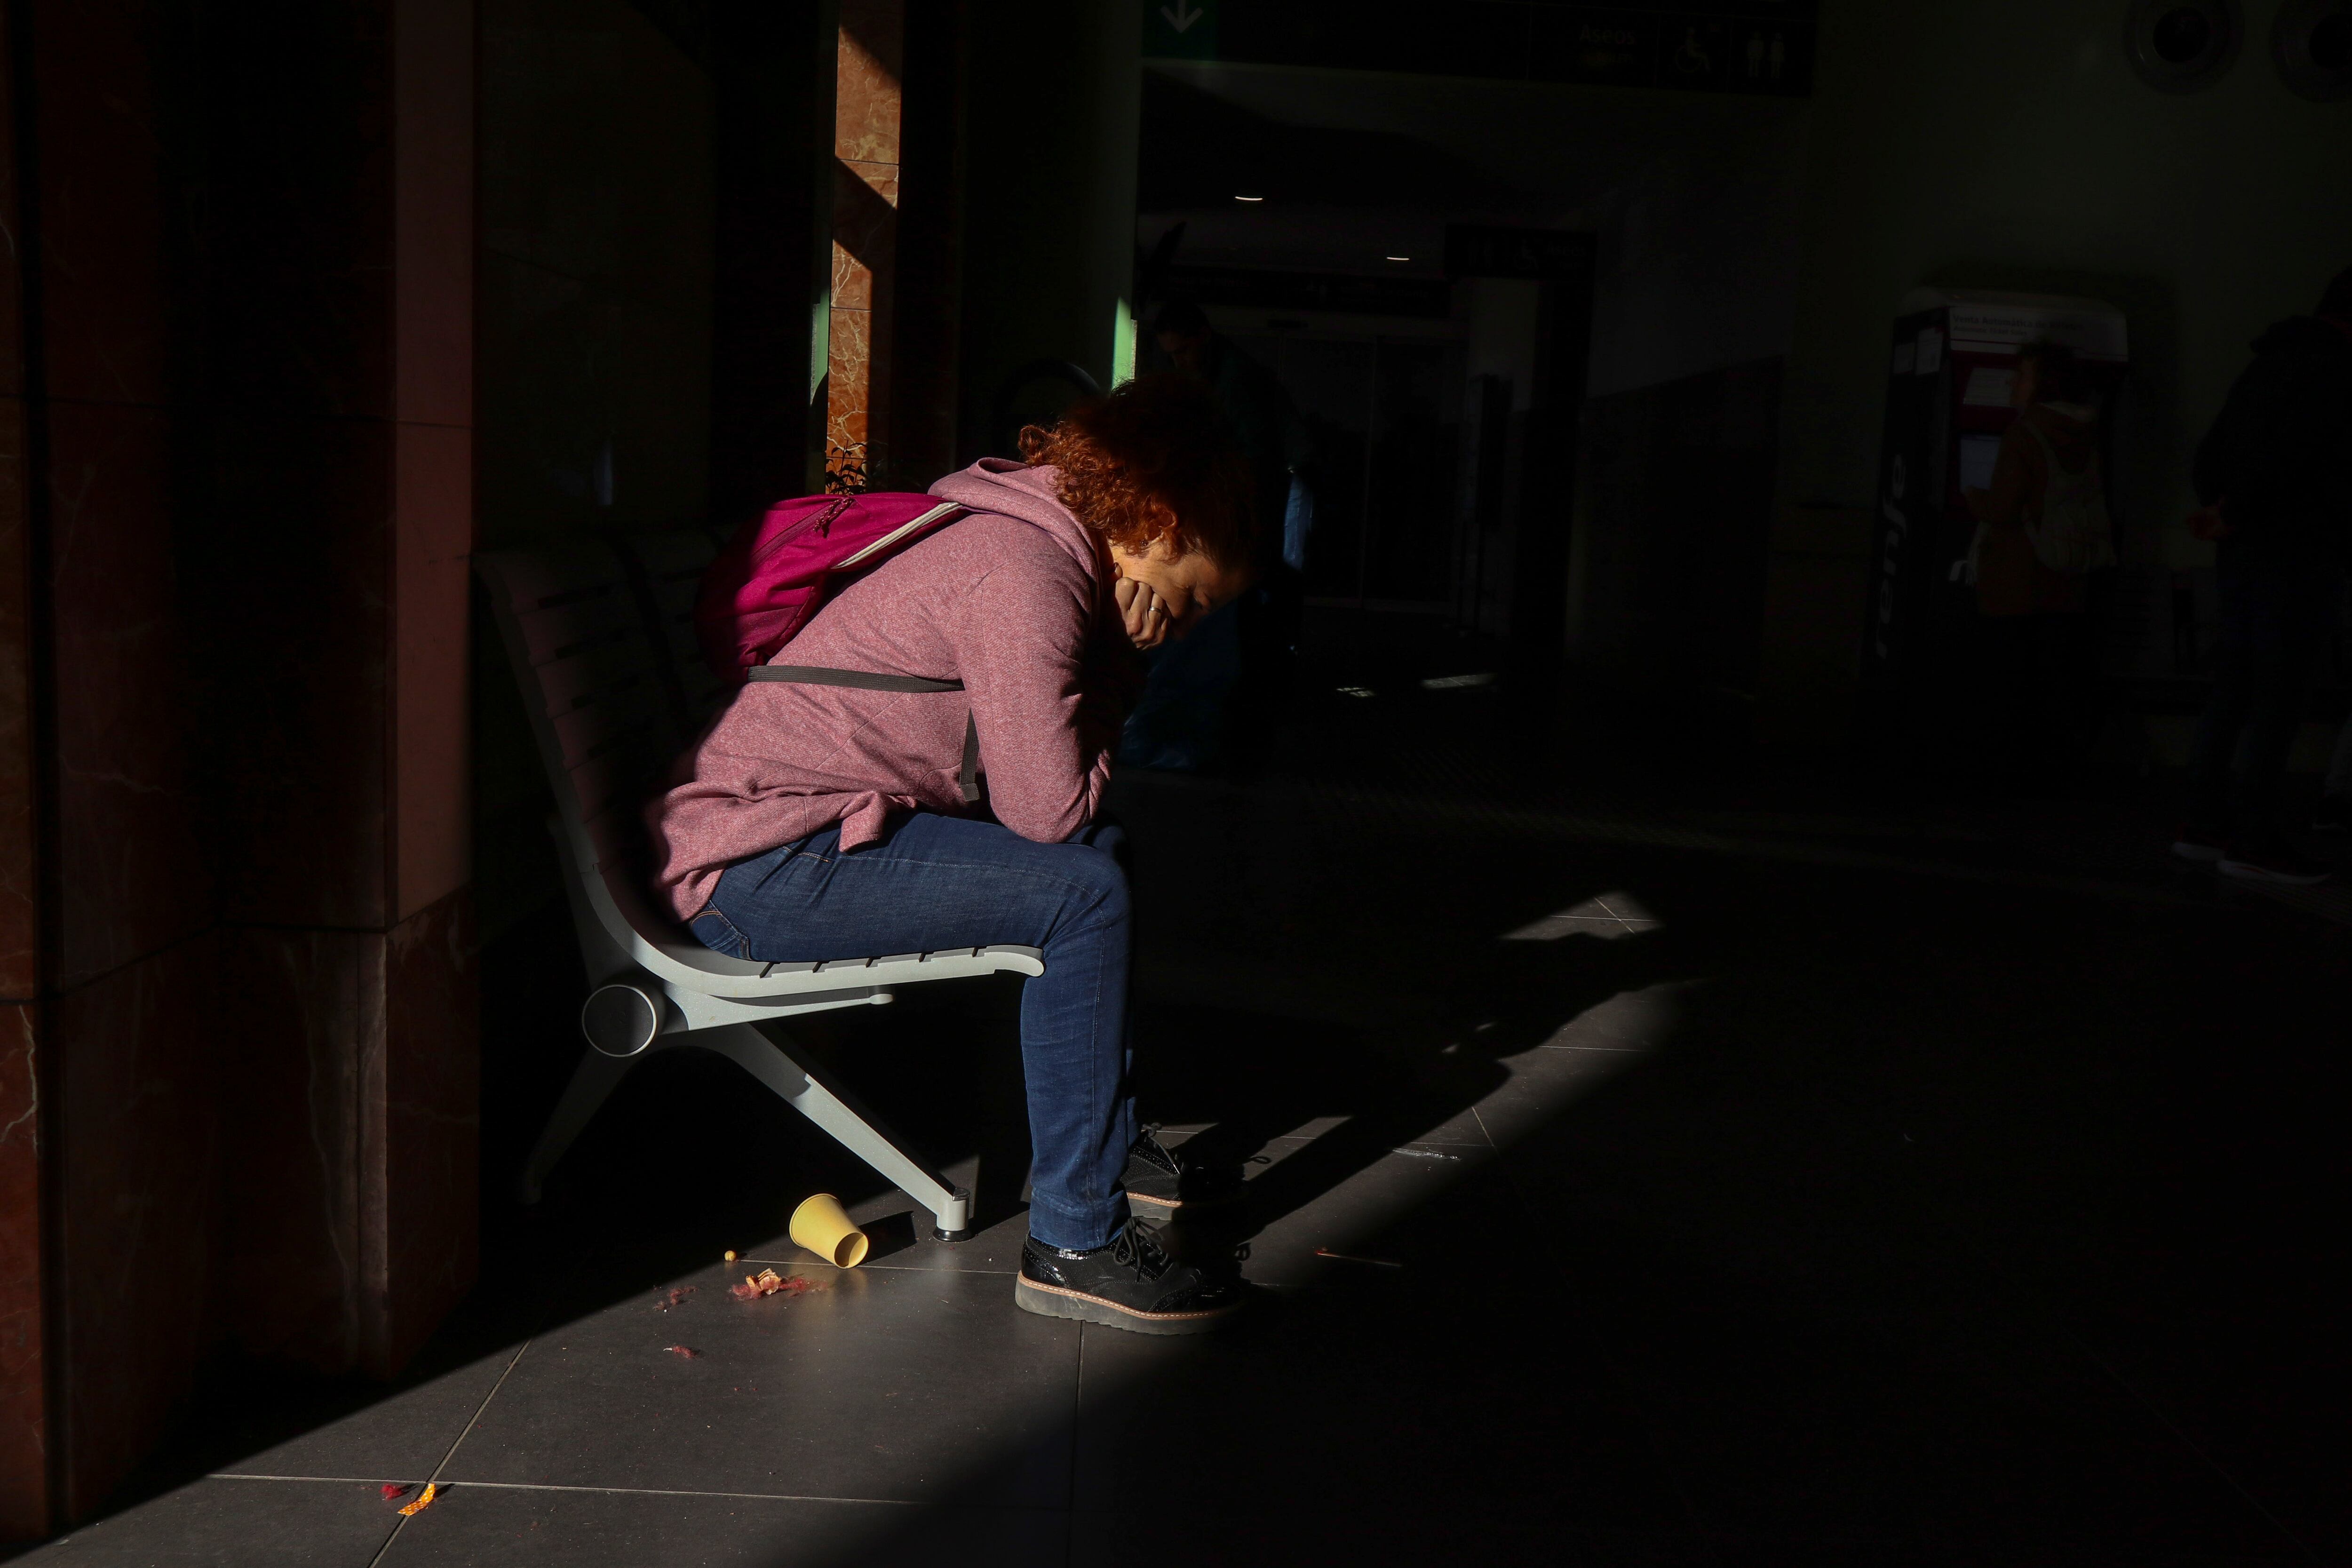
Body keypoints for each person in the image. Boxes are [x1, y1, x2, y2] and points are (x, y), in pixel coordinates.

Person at [646, 373, 1257, 1333]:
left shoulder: (1030, 537)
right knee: (1084, 888)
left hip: (797, 835)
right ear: (1158, 520)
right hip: (755, 868)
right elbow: (1045, 809)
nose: (1173, 627)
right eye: (1183, 606)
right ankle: (1077, 1241)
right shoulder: (1026, 575)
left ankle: (1101, 1144)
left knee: (1104, 853)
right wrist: (1121, 665)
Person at [2173, 264, 2352, 884]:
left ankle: (2202, 822)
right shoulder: (2337, 371)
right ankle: (2252, 837)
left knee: (2236, 683)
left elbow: (2215, 454)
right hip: (2300, 552)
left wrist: (2226, 510)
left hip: (2243, 548)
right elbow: (2299, 459)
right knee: (2280, 696)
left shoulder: (2270, 362)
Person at [1141, 299, 1311, 766]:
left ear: (1203, 337)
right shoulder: (1215, 376)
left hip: (1259, 506)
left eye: (1182, 352)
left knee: (1256, 612)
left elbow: (1251, 463)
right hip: (1246, 509)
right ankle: (1247, 726)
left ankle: (1249, 728)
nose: (1178, 361)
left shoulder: (1240, 383)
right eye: (1171, 354)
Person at [1960, 339, 2115, 787]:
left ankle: (2008, 774)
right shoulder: (2088, 429)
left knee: (2010, 680)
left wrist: (1976, 499)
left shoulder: (2025, 432)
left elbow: (2005, 508)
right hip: (2066, 574)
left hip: (2018, 577)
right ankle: (2056, 773)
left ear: (2042, 383)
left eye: (2023, 375)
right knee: (2056, 678)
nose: (2014, 383)